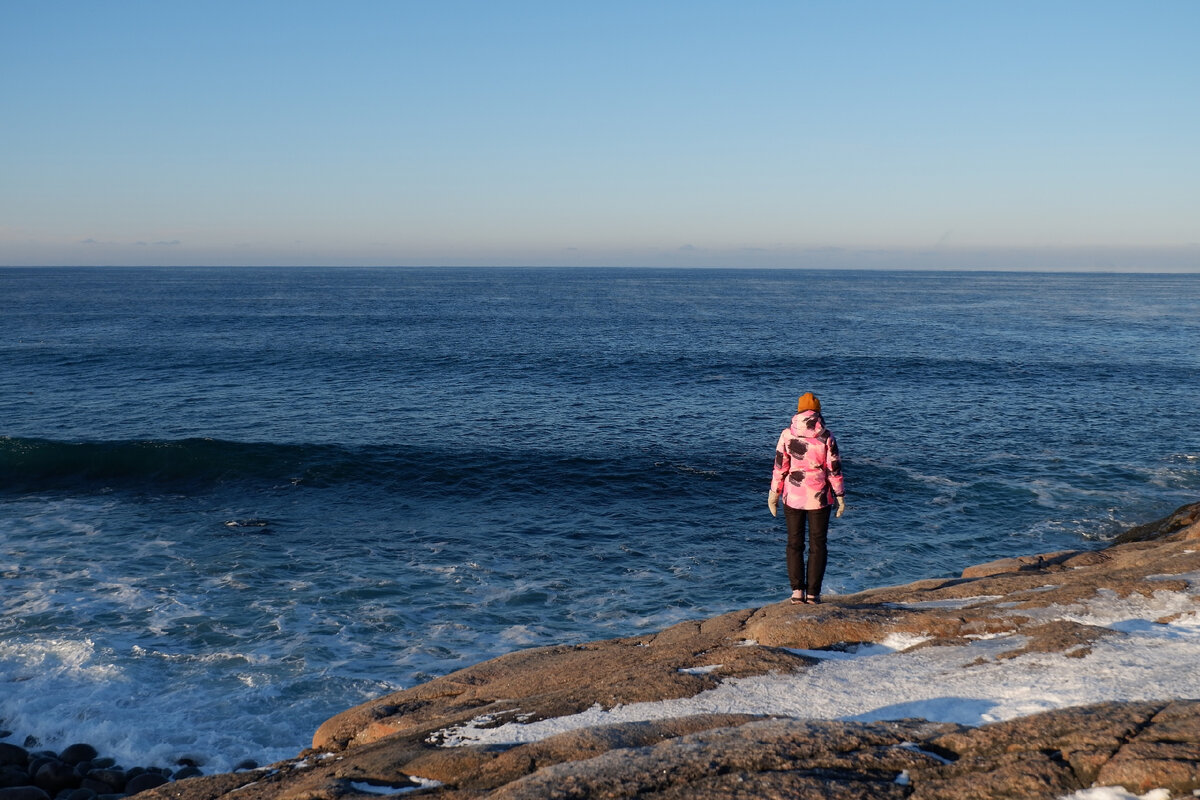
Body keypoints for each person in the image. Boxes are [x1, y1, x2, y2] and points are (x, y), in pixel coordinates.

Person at [768, 392, 846, 605]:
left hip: (793, 496)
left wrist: (773, 494)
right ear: (818, 412)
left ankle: (796, 592)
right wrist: (840, 496)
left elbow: (779, 467)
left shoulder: (787, 434)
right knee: (818, 544)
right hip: (820, 497)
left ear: (799, 412)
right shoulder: (827, 436)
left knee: (794, 543)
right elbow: (834, 469)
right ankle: (813, 594)